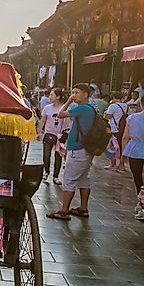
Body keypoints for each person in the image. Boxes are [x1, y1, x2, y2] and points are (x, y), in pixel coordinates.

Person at [47, 83, 96, 221]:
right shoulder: (90, 108)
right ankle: (83, 208)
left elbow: (60, 114)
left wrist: (68, 100)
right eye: (73, 92)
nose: (74, 95)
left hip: (78, 149)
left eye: (77, 92)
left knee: (69, 179)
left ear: (85, 94)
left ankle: (64, 211)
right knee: (84, 180)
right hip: (85, 149)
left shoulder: (82, 108)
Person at [39, 87, 68, 185]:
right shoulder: (47, 108)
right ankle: (46, 172)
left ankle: (56, 176)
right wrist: (39, 132)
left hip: (59, 136)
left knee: (58, 157)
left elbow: (68, 121)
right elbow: (43, 120)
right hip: (48, 134)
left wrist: (68, 132)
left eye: (52, 95)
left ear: (58, 97)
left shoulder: (64, 108)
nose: (50, 97)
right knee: (46, 155)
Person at [105, 94, 128, 171]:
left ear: (114, 98)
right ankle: (122, 164)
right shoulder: (126, 106)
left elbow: (107, 117)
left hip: (114, 129)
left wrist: (105, 114)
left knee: (112, 147)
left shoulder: (113, 106)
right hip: (123, 129)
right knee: (122, 146)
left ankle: (113, 164)